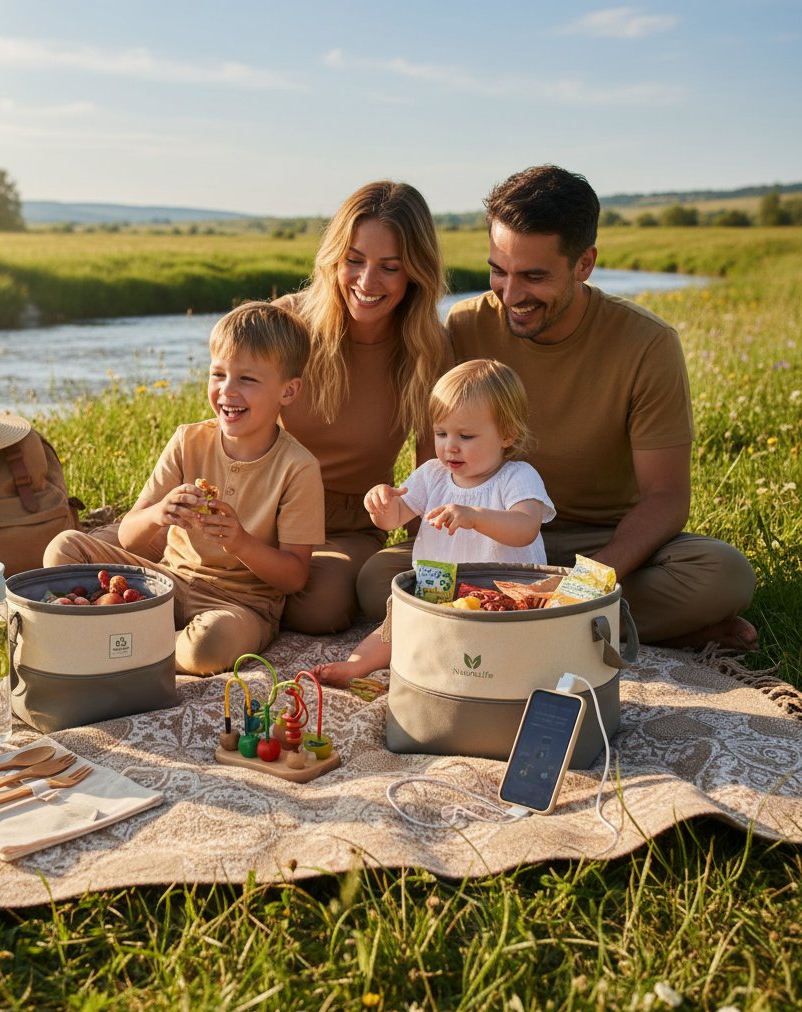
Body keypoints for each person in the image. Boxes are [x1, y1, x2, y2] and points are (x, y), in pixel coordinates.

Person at [362, 164, 757, 650]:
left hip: (598, 542)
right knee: (374, 581)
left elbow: (666, 497)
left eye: (533, 276)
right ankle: (602, 625)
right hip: (488, 544)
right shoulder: (463, 326)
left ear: (584, 263)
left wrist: (588, 580)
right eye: (497, 271)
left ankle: (541, 615)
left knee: (723, 575)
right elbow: (438, 465)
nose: (510, 294)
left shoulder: (647, 344)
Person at [43, 301, 325, 675]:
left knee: (209, 646)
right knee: (64, 548)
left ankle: (117, 639)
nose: (227, 391)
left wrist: (239, 541)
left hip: (239, 606)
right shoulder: (187, 440)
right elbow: (128, 536)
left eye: (247, 379)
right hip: (165, 582)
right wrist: (160, 514)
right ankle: (137, 638)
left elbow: (294, 577)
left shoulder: (298, 468)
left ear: (287, 392)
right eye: (218, 374)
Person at [274, 180, 453, 634]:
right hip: (262, 507)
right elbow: (226, 429)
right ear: (335, 257)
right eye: (354, 261)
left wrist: (425, 566)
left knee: (322, 608)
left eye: (389, 267)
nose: (367, 282)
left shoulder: (428, 351)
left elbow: (433, 467)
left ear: (416, 272)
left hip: (347, 526)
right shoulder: (287, 324)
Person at [314, 359, 555, 685]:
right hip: (440, 586)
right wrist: (380, 504)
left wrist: (475, 517)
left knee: (503, 655)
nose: (449, 446)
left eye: (466, 436)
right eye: (441, 433)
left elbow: (526, 528)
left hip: (502, 595)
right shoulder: (433, 475)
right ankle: (356, 666)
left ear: (507, 435)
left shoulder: (517, 477)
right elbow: (394, 518)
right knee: (398, 620)